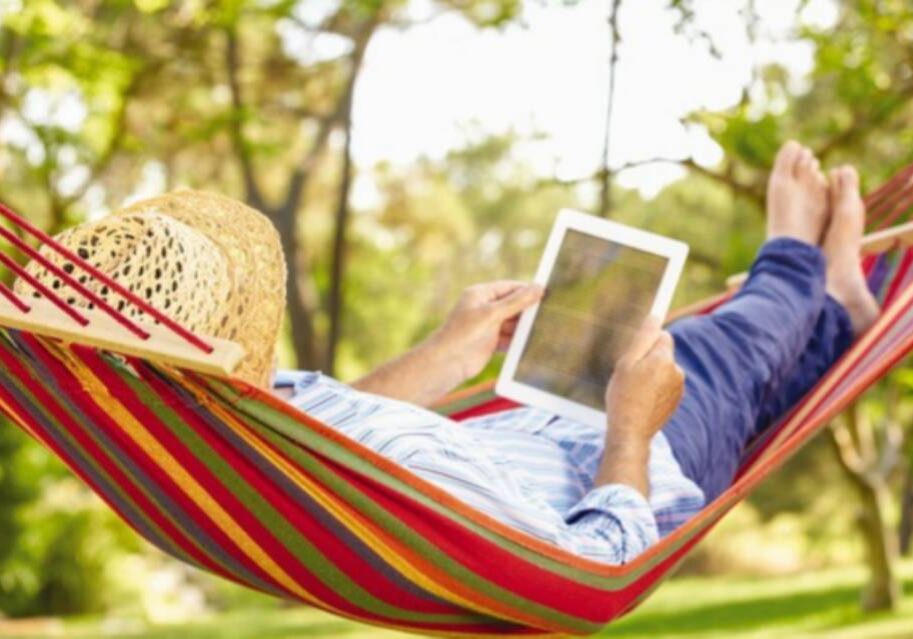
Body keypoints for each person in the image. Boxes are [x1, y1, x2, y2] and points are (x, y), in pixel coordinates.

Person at [16, 141, 879, 565]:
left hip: (538, 421)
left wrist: (446, 353)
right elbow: (598, 564)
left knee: (741, 376)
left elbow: (343, 435)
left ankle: (837, 309)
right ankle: (797, 260)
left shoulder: (233, 434)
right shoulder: (247, 445)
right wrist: (627, 427)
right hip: (633, 457)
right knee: (716, 344)